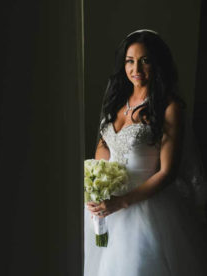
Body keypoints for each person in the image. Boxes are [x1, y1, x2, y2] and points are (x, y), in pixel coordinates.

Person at [84, 29, 207, 276]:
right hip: (108, 206)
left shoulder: (169, 108)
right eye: (130, 61)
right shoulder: (117, 100)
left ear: (157, 64)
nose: (136, 68)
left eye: (145, 60)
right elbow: (103, 145)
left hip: (146, 210)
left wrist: (121, 202)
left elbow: (168, 172)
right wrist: (99, 183)